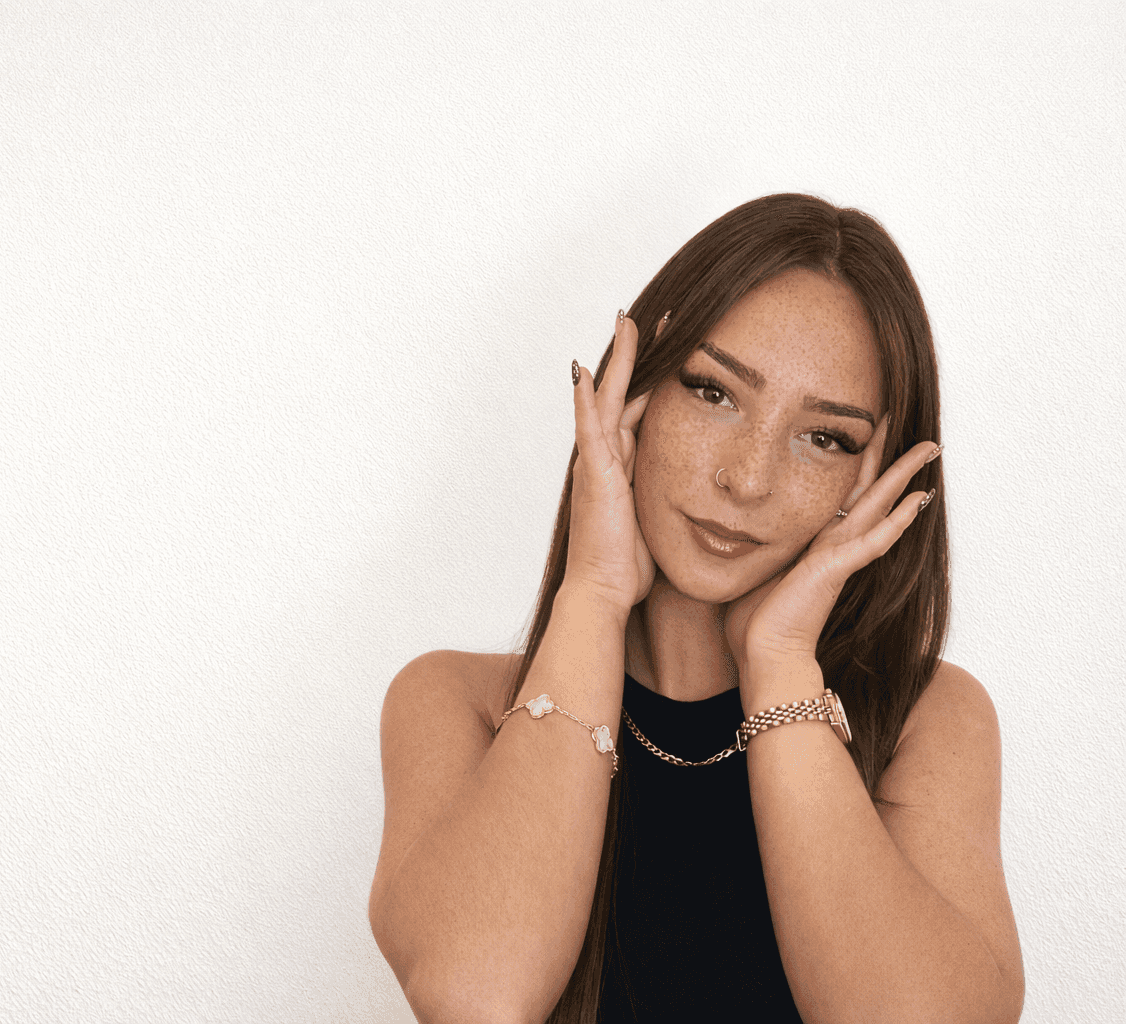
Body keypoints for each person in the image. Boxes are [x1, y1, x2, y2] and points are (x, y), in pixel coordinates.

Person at [367, 194, 1025, 1023]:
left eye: (825, 438)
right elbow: (477, 998)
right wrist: (595, 594)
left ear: (876, 479)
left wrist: (780, 659)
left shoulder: (928, 724)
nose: (747, 479)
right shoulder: (455, 705)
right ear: (630, 396)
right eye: (714, 393)